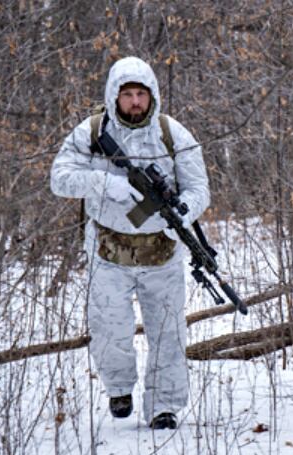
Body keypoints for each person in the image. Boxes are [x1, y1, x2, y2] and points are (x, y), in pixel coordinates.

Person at [49, 56, 209, 430]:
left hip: (162, 253)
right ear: (113, 97)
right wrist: (105, 184)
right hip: (108, 251)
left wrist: (185, 209)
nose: (135, 102)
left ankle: (163, 407)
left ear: (152, 96)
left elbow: (200, 187)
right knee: (110, 328)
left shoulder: (173, 134)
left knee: (168, 333)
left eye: (141, 94)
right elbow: (59, 178)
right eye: (128, 95)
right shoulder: (91, 133)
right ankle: (119, 388)